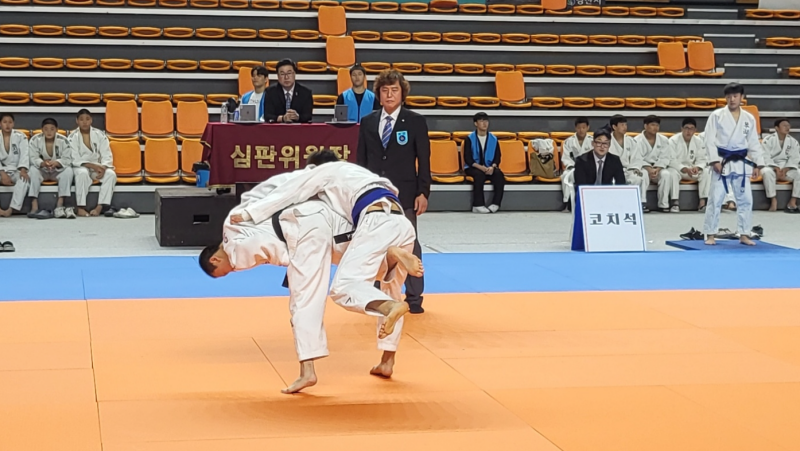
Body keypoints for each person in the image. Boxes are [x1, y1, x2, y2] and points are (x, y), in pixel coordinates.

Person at [200, 169, 422, 393]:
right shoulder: (357, 178)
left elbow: (292, 189)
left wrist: (252, 213)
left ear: (215, 259)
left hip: (311, 228)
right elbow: (281, 187)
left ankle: (308, 371)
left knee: (323, 293)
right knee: (388, 282)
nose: (232, 271)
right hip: (394, 222)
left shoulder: (233, 238)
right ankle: (387, 359)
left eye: (224, 272)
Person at [356, 69, 430, 314]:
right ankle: (379, 295)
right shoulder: (368, 122)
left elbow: (424, 160)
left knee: (409, 243)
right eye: (385, 90)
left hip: (406, 192)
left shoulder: (415, 121)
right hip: (375, 194)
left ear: (402, 93)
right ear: (378, 94)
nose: (389, 95)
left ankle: (414, 296)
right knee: (376, 242)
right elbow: (361, 161)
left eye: (394, 90)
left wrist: (423, 192)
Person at [702, 83, 765, 246]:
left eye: (735, 96)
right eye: (729, 96)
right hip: (722, 161)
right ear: (725, 98)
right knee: (716, 198)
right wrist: (714, 160)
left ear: (742, 97)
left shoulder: (748, 118)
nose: (732, 99)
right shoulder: (717, 115)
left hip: (741, 163)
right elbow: (709, 140)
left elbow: (753, 142)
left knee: (746, 200)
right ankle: (710, 234)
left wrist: (757, 164)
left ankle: (744, 234)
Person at [69, 109, 117, 217]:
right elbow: (74, 159)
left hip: (98, 168)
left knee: (111, 174)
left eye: (87, 119)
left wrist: (103, 167)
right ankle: (80, 207)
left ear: (91, 120)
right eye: (81, 119)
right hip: (81, 167)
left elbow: (106, 154)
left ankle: (99, 207)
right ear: (77, 121)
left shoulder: (100, 135)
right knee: (82, 173)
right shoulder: (72, 137)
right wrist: (92, 166)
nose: (84, 122)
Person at [27, 118, 75, 219]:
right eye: (46, 129)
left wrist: (57, 163)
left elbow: (67, 159)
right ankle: (34, 204)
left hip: (57, 171)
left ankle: (60, 204)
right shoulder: (35, 140)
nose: (49, 132)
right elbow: (32, 157)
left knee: (68, 171)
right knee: (32, 170)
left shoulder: (63, 140)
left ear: (57, 129)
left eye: (52, 129)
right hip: (42, 170)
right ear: (42, 129)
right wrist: (42, 163)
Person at [635, 115, 680, 212]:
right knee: (643, 174)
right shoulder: (637, 140)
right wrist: (648, 168)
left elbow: (665, 157)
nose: (655, 127)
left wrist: (657, 168)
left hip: (658, 168)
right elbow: (637, 158)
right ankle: (642, 202)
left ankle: (663, 204)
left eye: (657, 125)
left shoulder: (663, 139)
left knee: (666, 174)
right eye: (652, 125)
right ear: (645, 126)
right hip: (644, 167)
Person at [463, 112, 504, 213]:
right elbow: (468, 159)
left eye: (486, 121)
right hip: (473, 167)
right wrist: (481, 167)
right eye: (481, 121)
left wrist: (492, 167)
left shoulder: (494, 139)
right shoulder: (469, 138)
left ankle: (496, 203)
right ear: (475, 123)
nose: (484, 123)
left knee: (499, 174)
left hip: (489, 167)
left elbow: (497, 157)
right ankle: (478, 205)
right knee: (479, 175)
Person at [608, 115, 650, 212]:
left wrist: (635, 168)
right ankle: (615, 204)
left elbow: (637, 158)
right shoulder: (607, 140)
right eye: (622, 125)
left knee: (642, 174)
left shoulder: (631, 141)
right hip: (613, 171)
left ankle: (641, 202)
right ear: (614, 127)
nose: (625, 127)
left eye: (626, 125)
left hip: (629, 169)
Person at [669, 118, 710, 212]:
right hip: (678, 169)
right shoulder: (673, 141)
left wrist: (698, 167)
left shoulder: (699, 141)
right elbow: (671, 159)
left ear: (695, 130)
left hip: (692, 170)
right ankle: (675, 202)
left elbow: (702, 159)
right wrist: (683, 168)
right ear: (682, 129)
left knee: (707, 172)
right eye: (686, 128)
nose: (689, 131)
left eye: (691, 128)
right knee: (672, 173)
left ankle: (702, 203)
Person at [760, 118, 800, 213]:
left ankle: (793, 201)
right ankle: (773, 199)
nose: (787, 127)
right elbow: (764, 156)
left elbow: (795, 158)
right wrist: (775, 167)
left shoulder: (793, 142)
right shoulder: (768, 140)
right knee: (766, 172)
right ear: (776, 128)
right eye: (784, 125)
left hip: (786, 169)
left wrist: (787, 168)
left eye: (788, 125)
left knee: (799, 173)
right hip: (771, 167)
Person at [264, 59, 313, 123]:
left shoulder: (305, 93)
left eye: (289, 73)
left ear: (294, 74)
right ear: (278, 76)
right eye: (282, 74)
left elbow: (308, 116)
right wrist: (283, 118)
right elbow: (268, 116)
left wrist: (298, 117)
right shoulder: (270, 92)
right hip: (277, 128)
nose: (286, 77)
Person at [560, 117, 593, 210]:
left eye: (583, 127)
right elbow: (566, 157)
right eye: (579, 128)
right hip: (573, 167)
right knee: (565, 176)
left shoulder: (592, 141)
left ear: (588, 128)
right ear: (575, 128)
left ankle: (588, 201)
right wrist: (572, 166)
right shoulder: (568, 141)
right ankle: (567, 202)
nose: (581, 130)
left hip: (588, 168)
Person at [0, 113, 30, 218]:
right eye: (5, 122)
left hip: (16, 169)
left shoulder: (21, 136)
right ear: (0, 124)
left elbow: (25, 154)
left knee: (24, 179)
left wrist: (23, 169)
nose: (7, 125)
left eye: (10, 122)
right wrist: (2, 173)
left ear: (13, 124)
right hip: (1, 170)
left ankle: (11, 209)